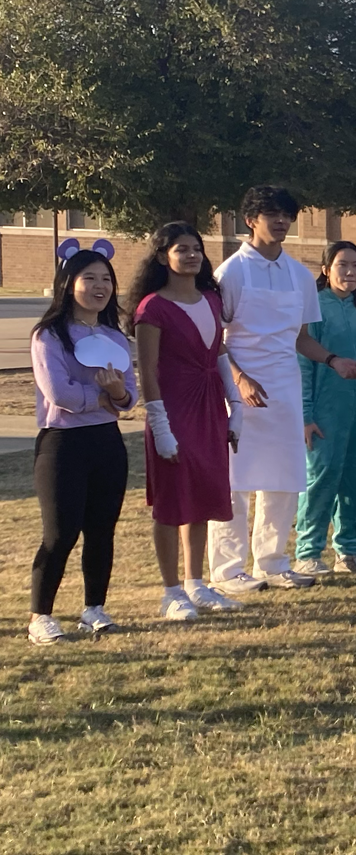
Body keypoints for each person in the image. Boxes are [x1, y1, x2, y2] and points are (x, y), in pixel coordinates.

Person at [210, 186, 356, 594]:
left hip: (284, 385)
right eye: (271, 214)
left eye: (286, 215)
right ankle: (227, 571)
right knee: (236, 479)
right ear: (251, 220)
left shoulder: (298, 275)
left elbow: (300, 338)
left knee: (282, 476)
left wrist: (333, 360)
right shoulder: (230, 273)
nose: (280, 221)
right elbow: (215, 339)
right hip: (238, 387)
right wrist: (239, 379)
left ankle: (273, 562)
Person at [128, 223, 243, 620]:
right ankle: (171, 591)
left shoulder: (211, 298)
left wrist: (236, 406)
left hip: (210, 406)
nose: (191, 255)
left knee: (203, 494)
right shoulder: (152, 309)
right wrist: (160, 426)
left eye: (196, 248)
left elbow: (219, 353)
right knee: (172, 499)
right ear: (163, 257)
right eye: (181, 249)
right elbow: (148, 372)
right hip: (174, 409)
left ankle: (197, 583)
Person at [28, 247, 136, 643]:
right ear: (68, 284)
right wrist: (103, 397)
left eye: (106, 279)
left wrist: (118, 398)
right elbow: (61, 394)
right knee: (60, 533)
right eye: (89, 278)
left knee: (101, 529)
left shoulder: (114, 337)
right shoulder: (49, 335)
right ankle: (40, 616)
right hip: (63, 444)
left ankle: (94, 609)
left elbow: (131, 395)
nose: (99, 287)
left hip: (107, 442)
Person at [294, 241, 356, 576]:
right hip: (325, 413)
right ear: (326, 270)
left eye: (355, 266)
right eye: (341, 265)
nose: (349, 272)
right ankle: (308, 552)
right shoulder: (314, 309)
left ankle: (348, 550)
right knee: (320, 479)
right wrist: (305, 417)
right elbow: (304, 365)